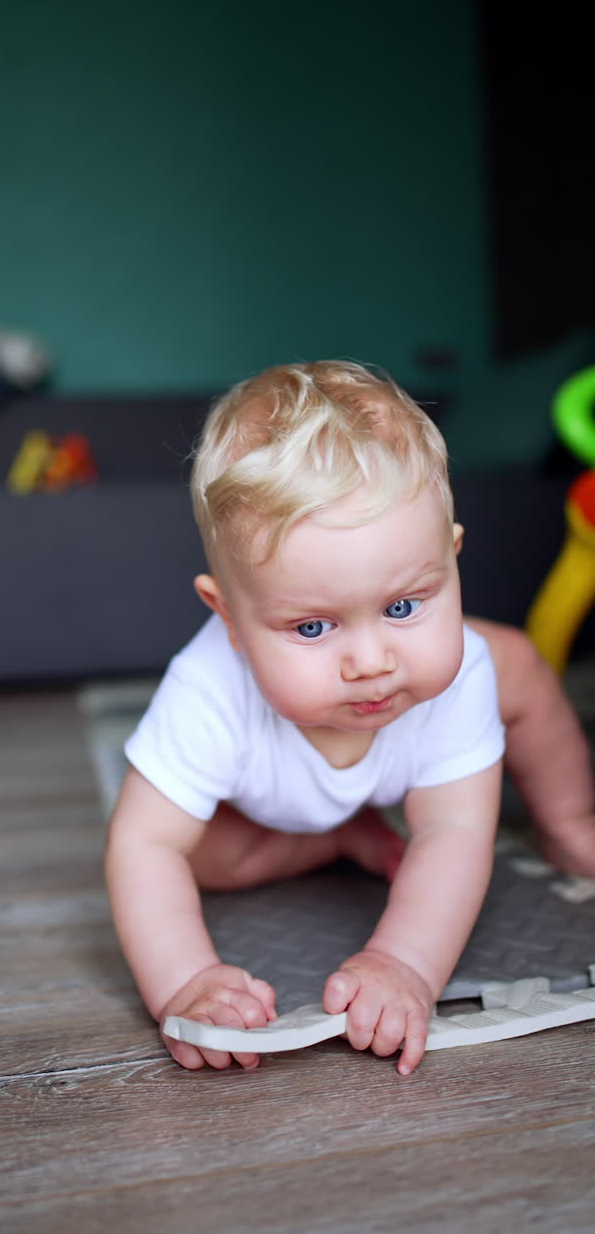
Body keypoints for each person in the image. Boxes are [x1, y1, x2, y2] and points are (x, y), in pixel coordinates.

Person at [105, 361, 595, 1075]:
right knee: (201, 852)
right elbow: (144, 847)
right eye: (312, 627)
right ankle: (341, 839)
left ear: (451, 562)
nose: (372, 661)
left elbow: (454, 830)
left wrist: (403, 963)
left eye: (403, 606)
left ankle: (571, 823)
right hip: (273, 810)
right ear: (231, 621)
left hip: (445, 735)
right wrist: (185, 981)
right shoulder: (208, 691)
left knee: (515, 664)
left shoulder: (459, 679)